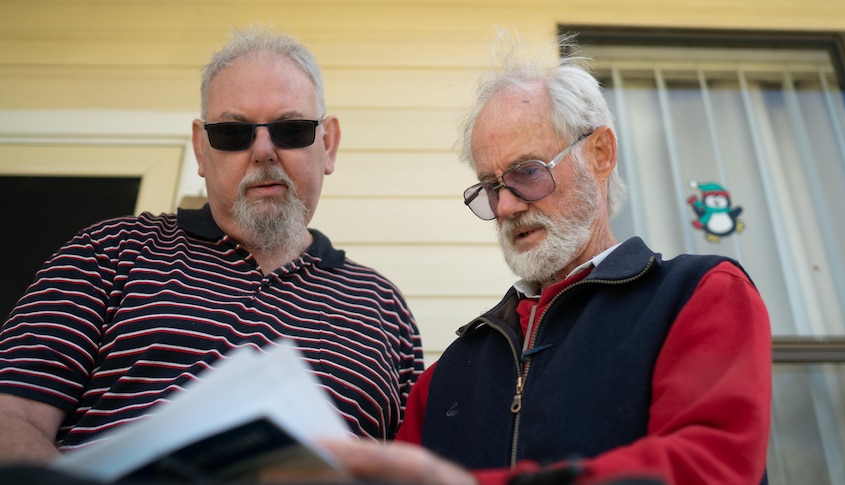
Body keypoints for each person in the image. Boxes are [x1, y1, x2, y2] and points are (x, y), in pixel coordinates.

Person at [322, 34, 772, 485]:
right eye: (492, 187)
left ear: (601, 154)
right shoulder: (446, 376)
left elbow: (710, 468)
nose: (505, 207)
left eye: (527, 173)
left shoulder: (700, 295)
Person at [0, 25, 423, 465]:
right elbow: (12, 414)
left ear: (329, 144)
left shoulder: (383, 307)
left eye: (291, 129)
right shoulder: (107, 253)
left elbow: (407, 464)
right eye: (233, 134)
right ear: (201, 150)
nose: (263, 151)